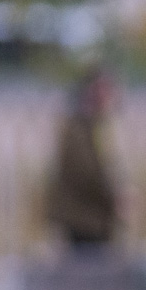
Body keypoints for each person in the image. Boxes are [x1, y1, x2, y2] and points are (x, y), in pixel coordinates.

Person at [44, 67, 119, 249]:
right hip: (84, 221)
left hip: (89, 219)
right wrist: (114, 197)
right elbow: (87, 173)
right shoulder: (78, 128)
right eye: (106, 90)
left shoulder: (89, 126)